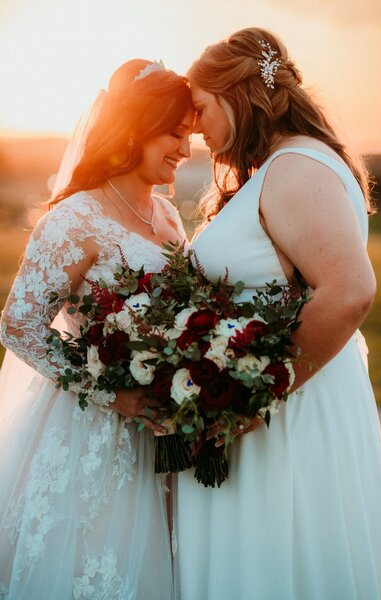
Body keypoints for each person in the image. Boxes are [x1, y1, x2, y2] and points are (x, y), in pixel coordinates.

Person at [174, 27, 381, 600]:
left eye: (200, 107)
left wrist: (249, 401)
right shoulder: (284, 165)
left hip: (283, 414)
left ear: (236, 91)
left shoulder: (296, 167)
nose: (195, 126)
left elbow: (349, 292)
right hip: (271, 403)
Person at [0, 58, 194, 599]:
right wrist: (115, 395)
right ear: (135, 130)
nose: (185, 149)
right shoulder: (74, 219)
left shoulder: (169, 217)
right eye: (174, 135)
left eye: (190, 136)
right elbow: (19, 325)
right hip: (95, 429)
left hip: (164, 426)